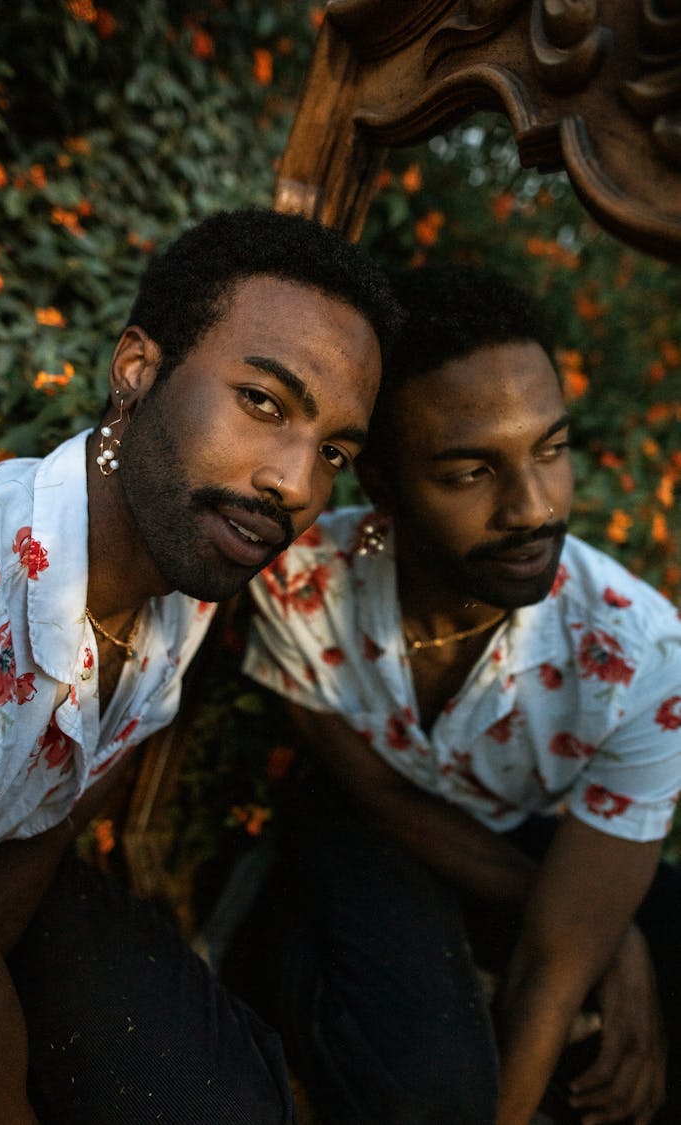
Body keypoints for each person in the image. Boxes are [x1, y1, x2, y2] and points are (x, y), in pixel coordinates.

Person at [0, 206, 403, 1125]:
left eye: (335, 453)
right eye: (264, 402)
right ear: (137, 369)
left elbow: (45, 825)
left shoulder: (182, 568)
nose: (298, 486)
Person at [242, 264, 681, 1125]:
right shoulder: (302, 581)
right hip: (359, 817)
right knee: (431, 1089)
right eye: (469, 470)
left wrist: (596, 930)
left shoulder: (644, 657)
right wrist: (609, 939)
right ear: (382, 487)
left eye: (550, 450)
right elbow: (373, 793)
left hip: (513, 827)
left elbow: (555, 966)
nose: (532, 508)